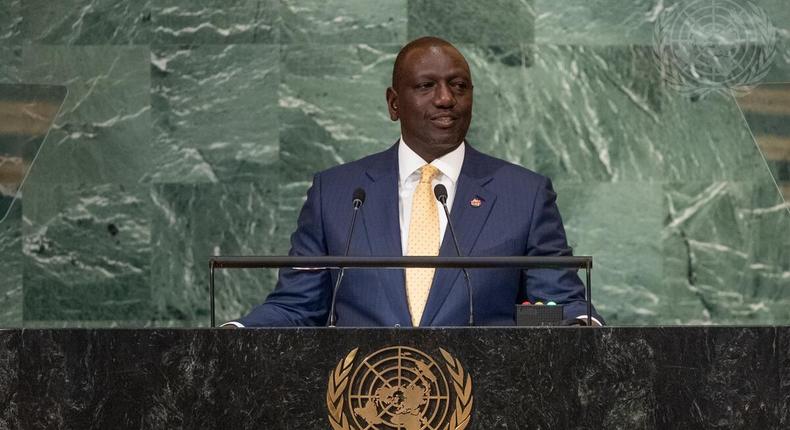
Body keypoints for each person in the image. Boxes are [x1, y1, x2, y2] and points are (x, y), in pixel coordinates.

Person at [226, 37, 602, 327]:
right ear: (393, 104)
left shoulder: (524, 194)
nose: (445, 99)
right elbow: (296, 306)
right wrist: (234, 334)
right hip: (363, 406)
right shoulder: (337, 194)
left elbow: (562, 303)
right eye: (426, 86)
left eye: (458, 86)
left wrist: (584, 327)